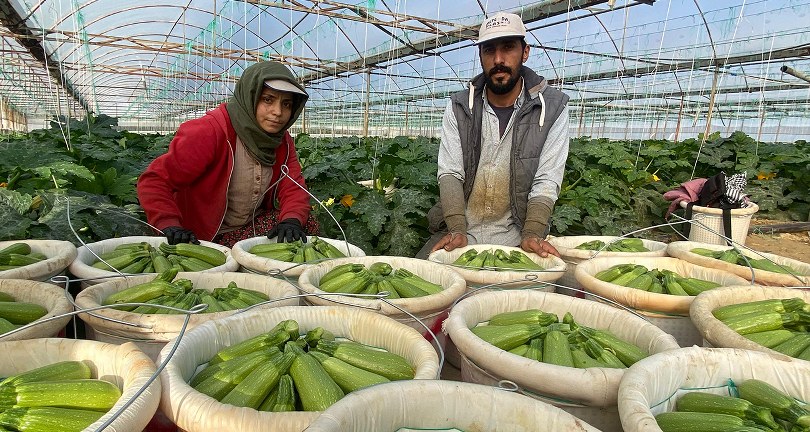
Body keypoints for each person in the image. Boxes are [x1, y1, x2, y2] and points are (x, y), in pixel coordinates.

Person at [420, 12, 569, 259]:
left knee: (531, 293)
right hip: (460, 234)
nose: (498, 59)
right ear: (480, 56)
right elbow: (450, 172)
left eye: (508, 47)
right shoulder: (459, 106)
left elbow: (547, 180)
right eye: (489, 50)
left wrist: (533, 232)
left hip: (518, 236)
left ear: (525, 52)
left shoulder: (553, 108)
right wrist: (456, 228)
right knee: (423, 277)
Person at [137, 61, 318, 248]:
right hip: (202, 236)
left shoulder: (282, 141)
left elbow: (294, 187)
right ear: (250, 96)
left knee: (306, 224)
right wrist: (168, 224)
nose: (278, 112)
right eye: (268, 99)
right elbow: (155, 181)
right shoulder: (210, 131)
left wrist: (291, 220)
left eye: (286, 104)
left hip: (248, 226)